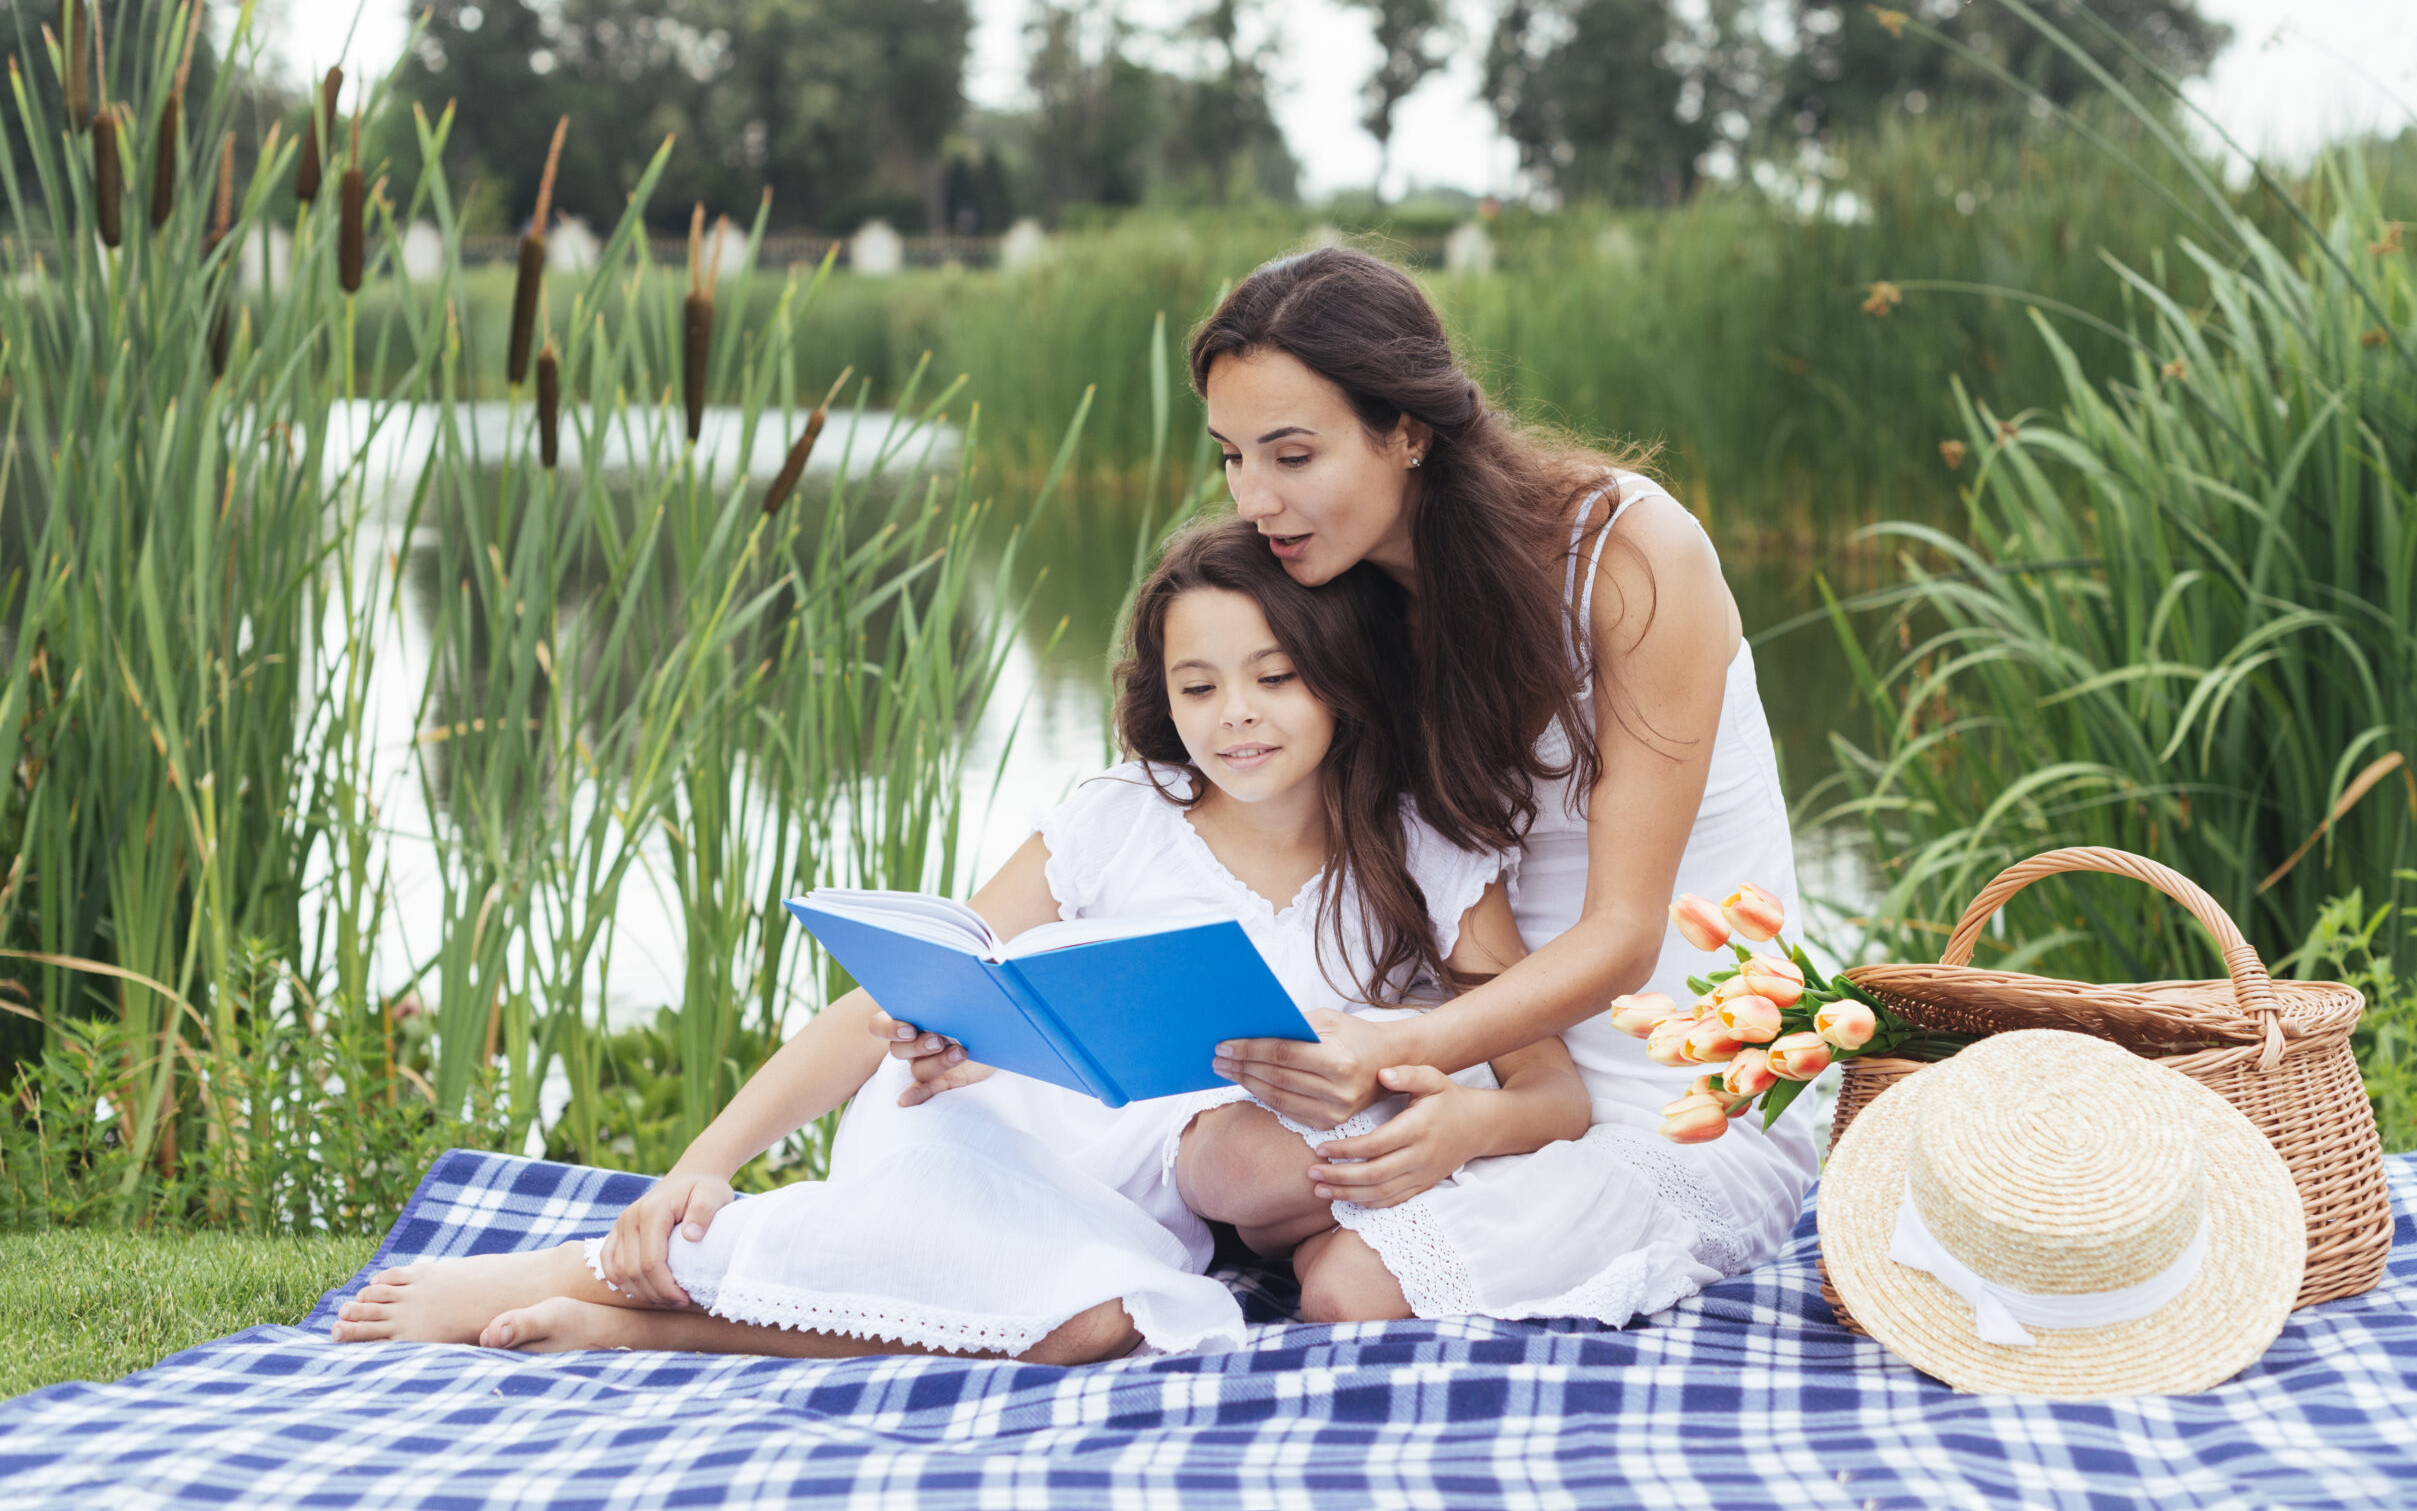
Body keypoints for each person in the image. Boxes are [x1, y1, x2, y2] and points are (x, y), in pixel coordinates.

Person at [330, 518, 1584, 1356]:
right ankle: (585, 1269)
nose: (1234, 718)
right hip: (1017, 1109)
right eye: (1198, 687)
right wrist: (697, 1160)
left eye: (1273, 678)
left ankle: (644, 1328)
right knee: (940, 1198)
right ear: (1162, 694)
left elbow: (1551, 1088)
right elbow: (887, 1001)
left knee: (1106, 1321)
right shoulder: (1118, 818)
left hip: (1186, 1178)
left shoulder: (1425, 848)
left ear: (1341, 677)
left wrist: (1457, 1113)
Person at [896, 247, 1819, 1317]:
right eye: (1232, 457)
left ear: (1408, 429)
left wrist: (1401, 1044)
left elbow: (1623, 935)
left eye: (1291, 454)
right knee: (1221, 1177)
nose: (1256, 498)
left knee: (1344, 1288)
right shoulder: (1343, 592)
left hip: (1669, 1080)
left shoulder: (1626, 554)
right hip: (1476, 1056)